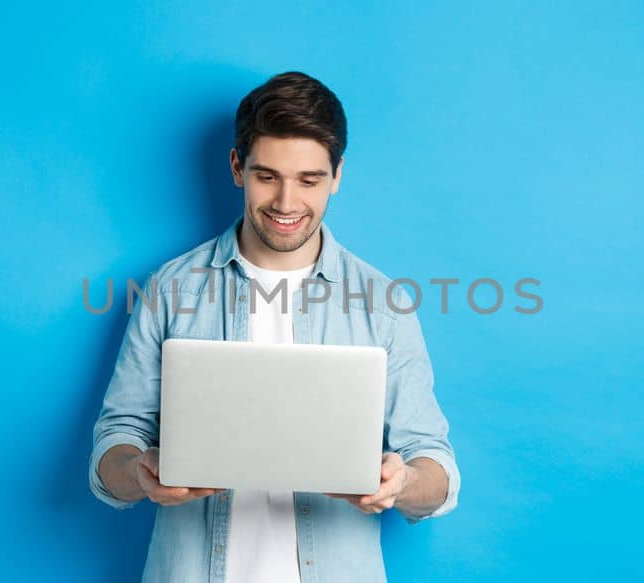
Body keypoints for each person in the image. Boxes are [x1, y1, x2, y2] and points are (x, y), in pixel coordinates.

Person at [87, 71, 460, 583]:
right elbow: (115, 443)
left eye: (309, 180)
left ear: (337, 175)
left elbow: (436, 471)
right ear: (238, 167)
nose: (286, 203)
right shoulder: (168, 289)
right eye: (268, 176)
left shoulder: (383, 303)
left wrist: (404, 481)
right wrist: (138, 471)